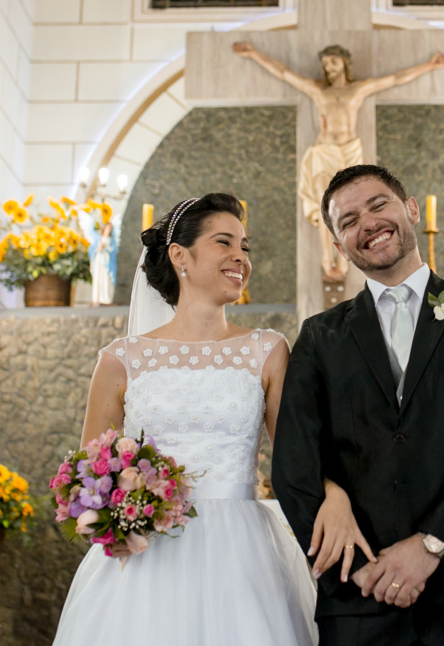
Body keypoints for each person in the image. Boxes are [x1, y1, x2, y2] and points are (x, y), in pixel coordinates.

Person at [53, 193, 373, 645]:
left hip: (241, 552)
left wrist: (335, 493)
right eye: (224, 243)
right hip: (147, 556)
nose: (239, 257)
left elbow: (296, 455)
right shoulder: (120, 360)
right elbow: (88, 477)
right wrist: (110, 529)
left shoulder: (268, 350)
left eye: (245, 246)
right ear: (180, 255)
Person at [272, 165, 444, 646]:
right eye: (348, 221)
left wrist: (433, 545)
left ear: (410, 209)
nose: (367, 224)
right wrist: (357, 571)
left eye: (378, 205)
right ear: (338, 245)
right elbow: (293, 463)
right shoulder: (319, 336)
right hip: (359, 603)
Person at [233, 41, 444, 281]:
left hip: (349, 150)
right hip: (324, 149)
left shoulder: (357, 89)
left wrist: (429, 66)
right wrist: (253, 54)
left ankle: (344, 258)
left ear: (345, 63)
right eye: (326, 63)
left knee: (350, 205)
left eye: (334, 61)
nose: (329, 67)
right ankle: (327, 258)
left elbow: (396, 78)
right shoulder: (318, 90)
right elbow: (285, 73)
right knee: (325, 203)